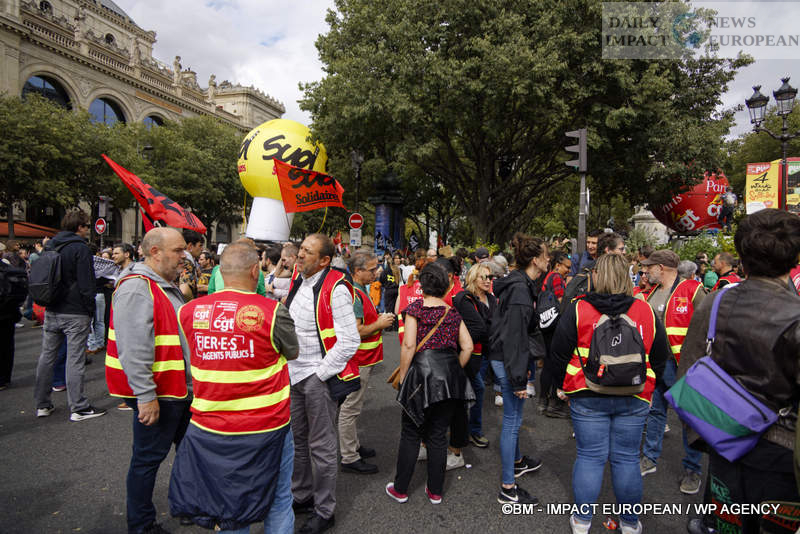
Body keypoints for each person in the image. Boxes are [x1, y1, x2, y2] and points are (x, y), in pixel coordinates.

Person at [680, 209, 800, 534]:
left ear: (742, 258)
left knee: (728, 526)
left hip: (724, 441)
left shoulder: (714, 302)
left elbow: (688, 374)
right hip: (782, 453)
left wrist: (708, 435)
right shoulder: (795, 314)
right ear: (794, 258)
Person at [169, 242, 299, 534]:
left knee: (226, 506)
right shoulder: (272, 311)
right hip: (268, 424)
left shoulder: (188, 311)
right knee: (278, 499)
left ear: (220, 271)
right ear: (255, 271)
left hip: (210, 425)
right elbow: (292, 352)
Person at [548, 253, 670, 534]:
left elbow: (558, 353)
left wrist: (561, 386)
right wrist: (652, 387)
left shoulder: (579, 308)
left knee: (590, 457)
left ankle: (582, 522)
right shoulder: (645, 310)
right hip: (635, 394)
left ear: (597, 276)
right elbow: (660, 356)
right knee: (627, 458)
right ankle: (629, 523)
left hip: (587, 392)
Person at [106, 227, 192, 534]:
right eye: (179, 250)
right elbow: (133, 349)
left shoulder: (159, 284)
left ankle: (186, 506)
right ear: (155, 252)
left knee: (188, 451)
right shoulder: (136, 288)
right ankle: (141, 525)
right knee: (147, 460)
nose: (185, 256)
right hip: (162, 392)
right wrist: (146, 396)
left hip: (175, 390)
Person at [283, 234, 360, 534]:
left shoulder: (336, 289)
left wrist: (320, 374)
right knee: (297, 441)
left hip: (317, 378)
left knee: (322, 447)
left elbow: (350, 340)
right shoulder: (299, 279)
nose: (300, 255)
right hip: (293, 375)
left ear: (324, 260)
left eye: (307, 252)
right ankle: (301, 495)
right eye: (301, 249)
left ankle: (324, 510)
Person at [386, 262, 474, 505]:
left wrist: (405, 375)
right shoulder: (452, 312)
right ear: (446, 287)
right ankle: (435, 491)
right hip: (448, 379)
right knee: (437, 435)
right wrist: (452, 369)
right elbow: (468, 347)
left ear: (422, 286)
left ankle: (401, 489)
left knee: (411, 433)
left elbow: (409, 345)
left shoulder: (415, 309)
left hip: (420, 376)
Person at [638, 249, 706, 496]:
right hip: (657, 365)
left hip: (685, 366)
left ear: (662, 268)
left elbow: (708, 324)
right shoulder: (651, 293)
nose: (645, 271)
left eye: (649, 267)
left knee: (690, 418)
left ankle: (692, 469)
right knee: (656, 412)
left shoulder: (692, 290)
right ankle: (649, 458)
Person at [490, 233, 547, 505]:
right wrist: (518, 380)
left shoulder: (520, 284)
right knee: (512, 423)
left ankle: (516, 462)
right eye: (546, 255)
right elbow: (515, 338)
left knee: (513, 421)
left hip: (508, 358)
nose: (549, 259)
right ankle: (507, 487)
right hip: (508, 360)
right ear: (535, 260)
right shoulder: (521, 290)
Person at [34, 209, 106, 422]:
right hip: (75, 310)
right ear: (80, 227)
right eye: (86, 226)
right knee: (75, 359)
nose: (87, 230)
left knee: (47, 356)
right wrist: (89, 309)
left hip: (52, 307)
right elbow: (86, 282)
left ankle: (42, 404)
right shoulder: (80, 248)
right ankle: (78, 406)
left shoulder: (51, 245)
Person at [339, 250, 394, 474]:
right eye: (372, 269)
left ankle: (353, 446)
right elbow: (357, 330)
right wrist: (380, 324)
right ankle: (349, 456)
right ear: (357, 271)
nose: (376, 272)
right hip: (358, 360)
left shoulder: (358, 289)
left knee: (354, 406)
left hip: (362, 359)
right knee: (350, 408)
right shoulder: (355, 293)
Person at [453, 262, 497, 448]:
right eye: (483, 277)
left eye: (490, 277)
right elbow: (480, 328)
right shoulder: (465, 298)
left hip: (484, 353)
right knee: (471, 391)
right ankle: (467, 432)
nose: (488, 281)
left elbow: (494, 324)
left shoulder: (492, 299)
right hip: (468, 354)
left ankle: (466, 431)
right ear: (473, 278)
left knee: (475, 391)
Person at [537, 251, 570, 417]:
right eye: (567, 267)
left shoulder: (547, 276)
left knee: (548, 364)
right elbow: (561, 301)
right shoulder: (556, 278)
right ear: (558, 265)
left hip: (545, 325)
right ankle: (553, 403)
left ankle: (543, 400)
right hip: (555, 326)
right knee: (554, 364)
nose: (569, 271)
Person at [178, 229, 204, 301]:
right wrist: (193, 303)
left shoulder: (179, 260)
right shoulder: (186, 262)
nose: (202, 249)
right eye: (200, 246)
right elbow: (185, 291)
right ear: (190, 246)